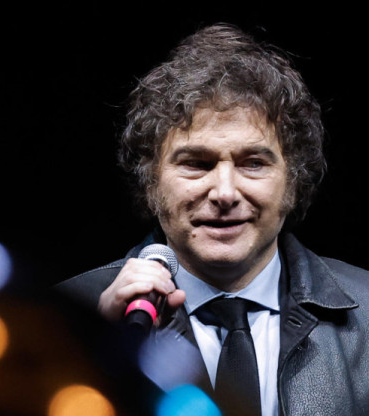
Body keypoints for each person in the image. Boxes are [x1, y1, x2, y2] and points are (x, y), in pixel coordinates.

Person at [55, 23, 369, 415]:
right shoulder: (64, 319)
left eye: (253, 163)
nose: (224, 192)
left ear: (294, 180)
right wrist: (92, 353)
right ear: (151, 181)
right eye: (196, 164)